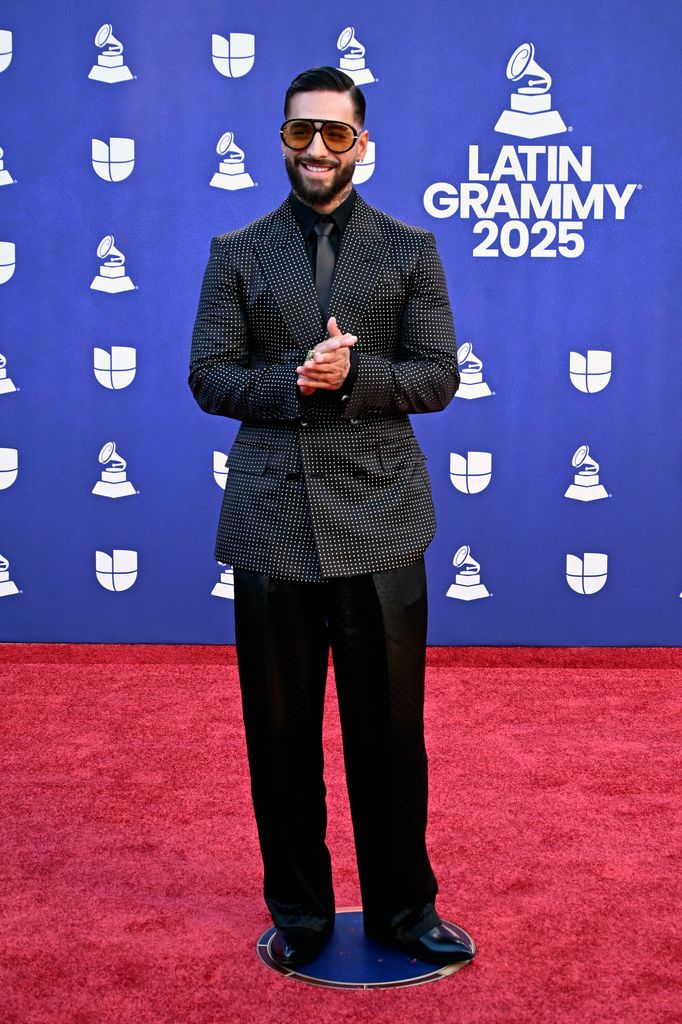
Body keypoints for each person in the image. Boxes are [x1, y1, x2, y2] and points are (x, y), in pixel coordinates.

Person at [189, 66, 473, 969]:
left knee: (390, 732)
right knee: (279, 735)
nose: (316, 148)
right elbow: (209, 376)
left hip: (383, 516)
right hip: (272, 517)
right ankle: (301, 913)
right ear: (281, 137)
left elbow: (438, 376)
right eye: (300, 132)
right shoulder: (237, 249)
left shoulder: (408, 248)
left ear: (362, 143)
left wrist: (354, 378)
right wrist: (291, 381)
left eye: (335, 134)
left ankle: (403, 909)